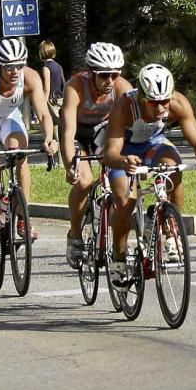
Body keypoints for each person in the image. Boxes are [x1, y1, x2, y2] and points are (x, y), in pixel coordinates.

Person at [103, 64, 196, 289]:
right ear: (142, 97)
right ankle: (119, 257)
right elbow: (110, 154)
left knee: (173, 167)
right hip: (123, 151)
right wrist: (123, 162)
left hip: (153, 146)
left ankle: (169, 228)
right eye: (154, 102)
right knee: (125, 203)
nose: (161, 107)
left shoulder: (178, 103)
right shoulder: (124, 106)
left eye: (165, 101)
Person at [0, 38, 58, 256]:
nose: (15, 71)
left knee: (19, 153)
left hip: (9, 117)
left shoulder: (30, 77)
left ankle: (22, 214)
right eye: (9, 67)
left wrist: (49, 138)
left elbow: (44, 113)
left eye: (20, 65)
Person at [60, 43, 132, 267]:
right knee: (84, 182)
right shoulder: (75, 87)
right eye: (104, 75)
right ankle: (75, 236)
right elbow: (67, 130)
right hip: (78, 133)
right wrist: (70, 165)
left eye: (114, 74)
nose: (110, 80)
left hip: (103, 131)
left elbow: (132, 126)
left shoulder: (122, 87)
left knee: (122, 181)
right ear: (91, 72)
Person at [39, 40, 65, 139]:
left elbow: (47, 88)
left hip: (51, 100)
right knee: (61, 126)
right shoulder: (59, 66)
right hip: (60, 99)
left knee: (53, 127)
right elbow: (63, 83)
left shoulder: (46, 68)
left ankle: (57, 152)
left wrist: (43, 104)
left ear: (42, 52)